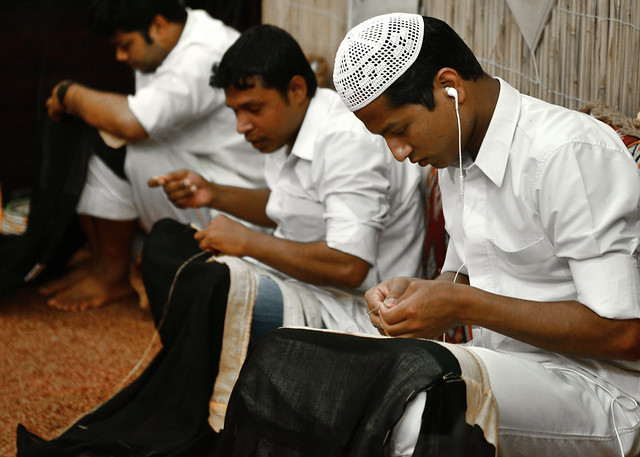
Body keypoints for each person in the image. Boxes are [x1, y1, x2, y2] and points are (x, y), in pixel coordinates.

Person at [216, 13, 640, 457]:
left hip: (595, 389)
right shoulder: (456, 153)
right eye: (383, 137)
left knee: (413, 406)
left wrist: (462, 304)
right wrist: (420, 294)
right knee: (291, 361)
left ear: (448, 87)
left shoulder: (565, 153)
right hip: (500, 364)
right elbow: (459, 276)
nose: (397, 153)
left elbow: (623, 333)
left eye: (398, 130)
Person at [16, 24, 425, 457]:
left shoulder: (344, 139)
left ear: (297, 88)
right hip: (308, 287)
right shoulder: (302, 125)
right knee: (169, 242)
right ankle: (186, 397)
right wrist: (212, 193)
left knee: (210, 285)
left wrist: (248, 241)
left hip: (347, 316)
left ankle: (199, 419)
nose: (242, 126)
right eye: (234, 111)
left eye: (252, 108)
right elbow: (287, 205)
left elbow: (349, 266)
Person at [39, 0, 266, 311]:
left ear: (158, 27)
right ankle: (104, 262)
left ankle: (112, 273)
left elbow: (133, 122)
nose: (120, 56)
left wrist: (69, 94)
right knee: (102, 131)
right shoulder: (179, 34)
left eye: (124, 45)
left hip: (235, 206)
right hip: (202, 172)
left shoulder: (202, 54)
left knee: (117, 145)